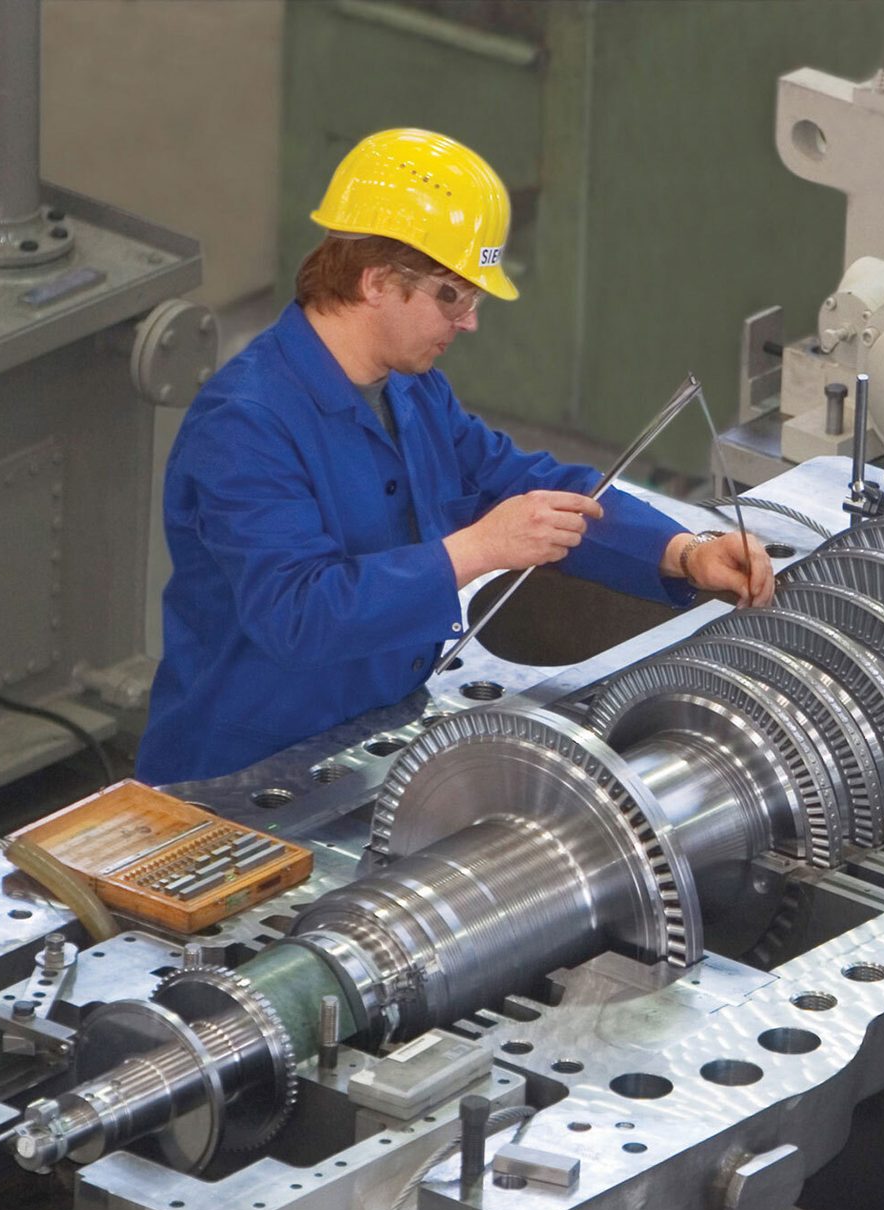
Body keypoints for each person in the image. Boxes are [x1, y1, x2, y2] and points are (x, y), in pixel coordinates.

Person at [138, 129, 773, 784]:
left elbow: (518, 485)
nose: (469, 322)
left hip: (369, 740)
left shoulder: (411, 389)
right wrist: (478, 549)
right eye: (452, 295)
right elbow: (299, 615)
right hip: (239, 775)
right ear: (378, 282)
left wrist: (683, 552)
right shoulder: (246, 425)